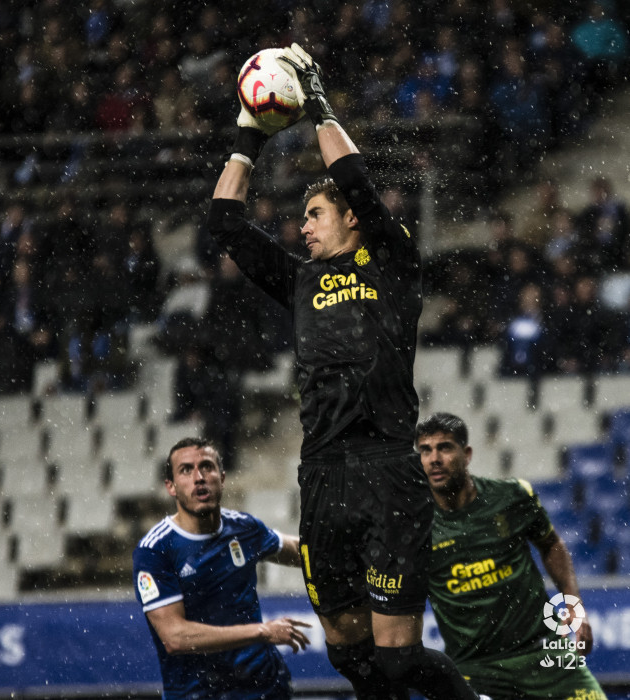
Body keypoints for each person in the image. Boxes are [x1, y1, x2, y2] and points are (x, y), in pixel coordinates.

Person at [207, 43, 488, 700]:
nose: (302, 228)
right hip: (323, 472)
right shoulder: (298, 281)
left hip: (387, 468)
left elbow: (356, 179)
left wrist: (319, 107)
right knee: (350, 658)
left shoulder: (391, 262)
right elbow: (225, 222)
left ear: (351, 219)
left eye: (313, 215)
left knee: (395, 660)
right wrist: (248, 135)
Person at [416, 412, 608, 700]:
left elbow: (551, 544)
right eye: (425, 450)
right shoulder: (414, 526)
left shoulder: (511, 497)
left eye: (444, 447)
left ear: (466, 454)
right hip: (475, 670)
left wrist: (574, 606)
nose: (434, 459)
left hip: (544, 653)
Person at [132, 437, 310, 699]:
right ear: (171, 487)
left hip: (265, 687)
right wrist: (263, 632)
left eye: (206, 466)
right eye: (186, 470)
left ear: (222, 477)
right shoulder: (155, 551)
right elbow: (175, 637)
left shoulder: (245, 528)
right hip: (199, 693)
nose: (199, 477)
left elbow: (299, 552)